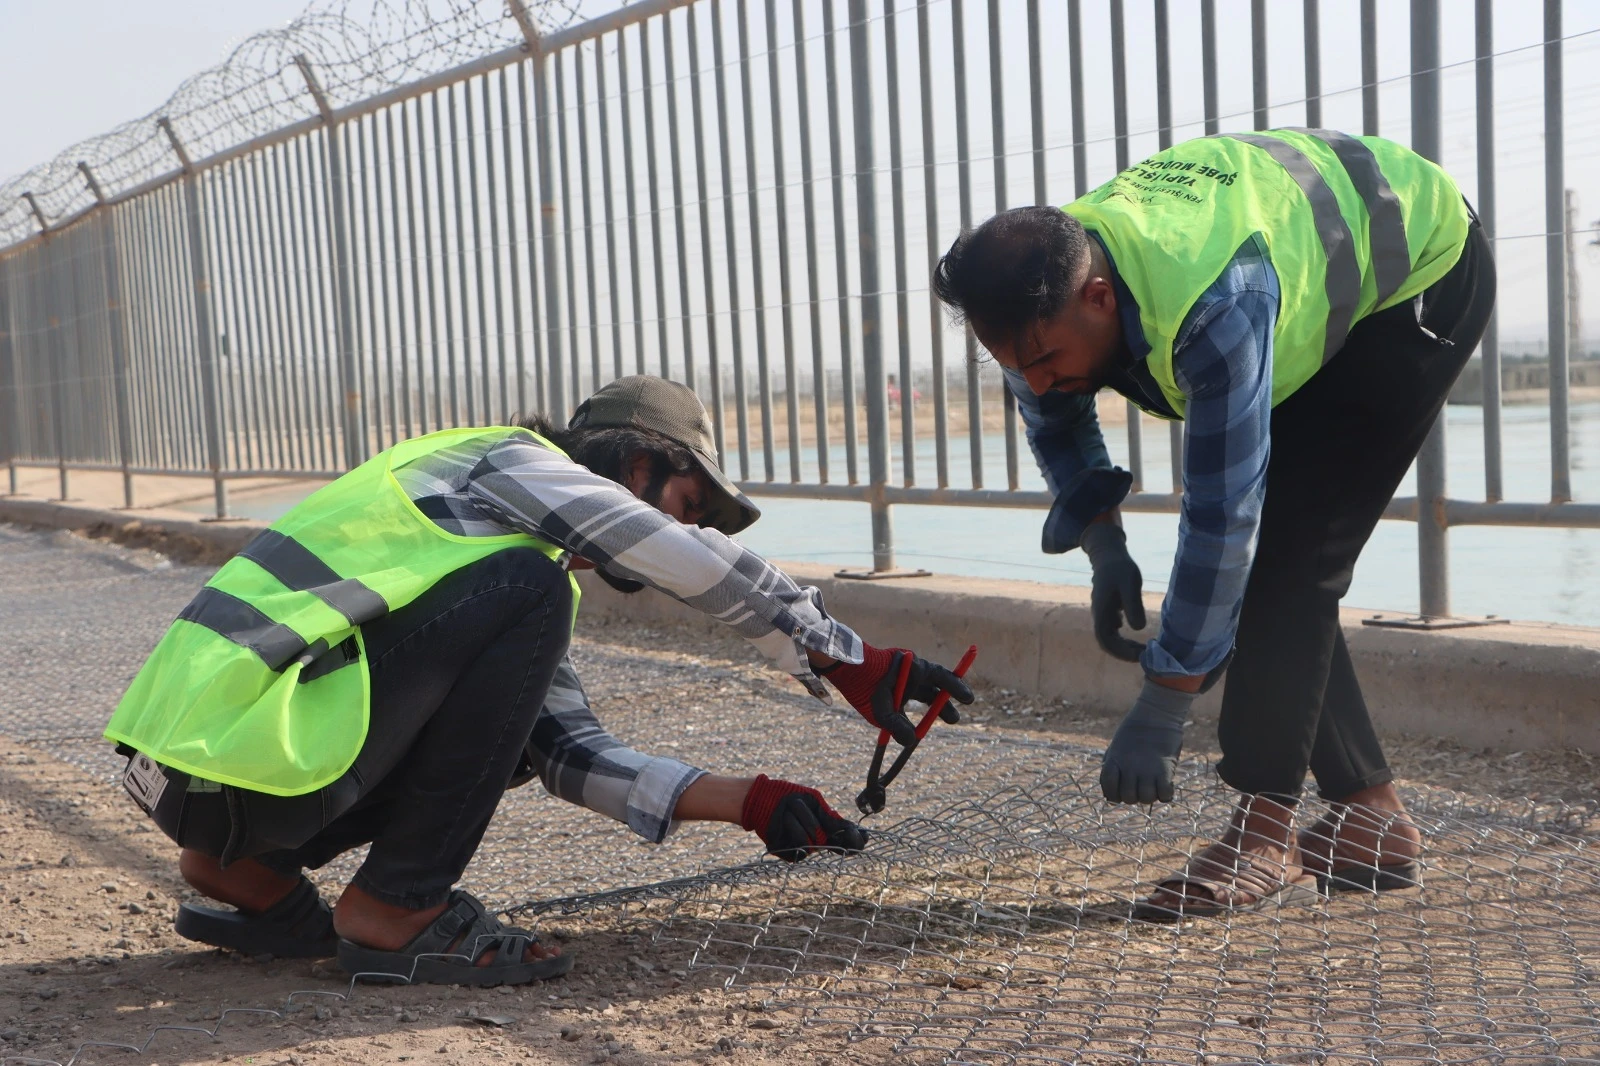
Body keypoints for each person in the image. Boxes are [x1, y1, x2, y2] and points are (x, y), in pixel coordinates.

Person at [106, 375, 973, 983]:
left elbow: (562, 751)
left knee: (530, 628)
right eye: (687, 501)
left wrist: (749, 802)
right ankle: (396, 912)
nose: (684, 525)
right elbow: (659, 548)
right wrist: (842, 655)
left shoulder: (488, 555)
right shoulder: (504, 465)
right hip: (233, 748)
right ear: (638, 466)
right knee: (534, 591)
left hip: (194, 768)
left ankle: (244, 873)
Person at [932, 129, 1494, 917]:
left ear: (1098, 298)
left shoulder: (1215, 304)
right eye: (1014, 366)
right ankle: (1373, 820)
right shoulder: (1040, 289)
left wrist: (1166, 700)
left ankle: (1266, 832)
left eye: (1045, 357)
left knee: (1294, 556)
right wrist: (1103, 543)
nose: (1036, 379)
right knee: (1283, 558)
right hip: (1295, 260)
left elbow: (1225, 521)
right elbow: (1056, 420)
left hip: (1417, 273)